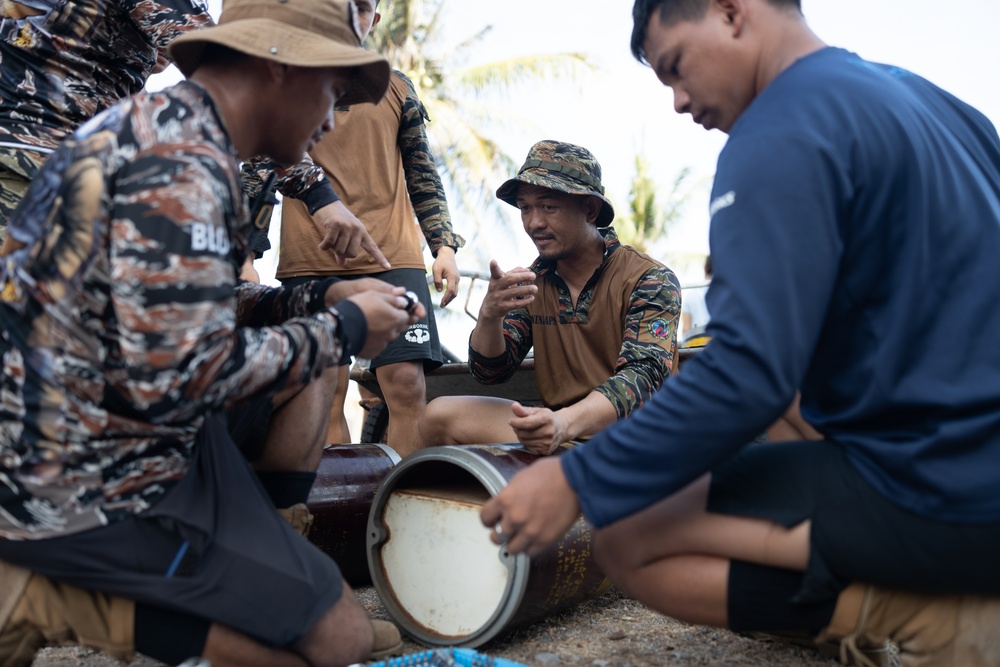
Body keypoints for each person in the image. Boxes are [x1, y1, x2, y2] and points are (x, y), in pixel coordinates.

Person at [480, 1, 1000, 665]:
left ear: (731, 12)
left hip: (933, 492)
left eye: (675, 67)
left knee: (625, 530)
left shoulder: (777, 131)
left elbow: (748, 373)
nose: (676, 99)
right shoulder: (940, 106)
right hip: (975, 472)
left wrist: (577, 477)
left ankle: (935, 612)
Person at [0, 0, 420, 664]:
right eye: (334, 92)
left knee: (344, 631)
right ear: (279, 66)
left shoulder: (185, 137)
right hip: (87, 478)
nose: (333, 120)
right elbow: (183, 374)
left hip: (130, 434)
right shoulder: (180, 163)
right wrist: (345, 326)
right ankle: (45, 591)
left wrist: (319, 295)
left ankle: (250, 558)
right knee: (334, 643)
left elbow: (194, 304)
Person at [267, 0, 465, 455]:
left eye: (363, 7)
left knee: (405, 385)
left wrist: (444, 247)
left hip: (391, 254)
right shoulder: (286, 84)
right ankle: (332, 512)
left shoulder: (397, 88)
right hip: (312, 256)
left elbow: (422, 173)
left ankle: (402, 501)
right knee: (323, 387)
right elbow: (263, 166)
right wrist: (246, 252)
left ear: (372, 20)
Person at [419, 140, 681, 456]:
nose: (534, 223)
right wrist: (490, 316)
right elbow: (490, 372)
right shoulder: (532, 283)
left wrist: (562, 423)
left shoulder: (648, 279)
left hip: (640, 441)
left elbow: (642, 381)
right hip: (561, 438)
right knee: (437, 416)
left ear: (590, 209)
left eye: (548, 206)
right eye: (525, 207)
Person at [679, 253, 711, 338]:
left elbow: (686, 329)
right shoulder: (726, 293)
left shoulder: (691, 295)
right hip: (720, 343)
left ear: (705, 267)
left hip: (697, 343)